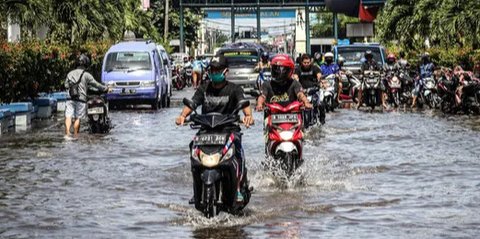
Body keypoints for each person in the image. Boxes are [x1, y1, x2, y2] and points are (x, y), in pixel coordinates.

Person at [175, 55, 253, 203]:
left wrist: (248, 116)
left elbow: (244, 105)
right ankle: (197, 189)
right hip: (206, 131)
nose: (214, 73)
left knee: (238, 150)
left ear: (225, 72)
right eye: (212, 70)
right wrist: (182, 116)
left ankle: (238, 187)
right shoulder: (204, 89)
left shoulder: (234, 89)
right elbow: (192, 104)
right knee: (193, 147)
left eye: (218, 70)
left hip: (229, 131)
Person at [64, 54, 109, 137]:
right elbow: (96, 84)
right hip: (81, 99)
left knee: (68, 116)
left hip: (70, 98)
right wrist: (105, 88)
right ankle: (75, 134)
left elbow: (66, 85)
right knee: (78, 118)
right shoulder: (86, 74)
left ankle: (67, 134)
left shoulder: (70, 74)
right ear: (86, 64)